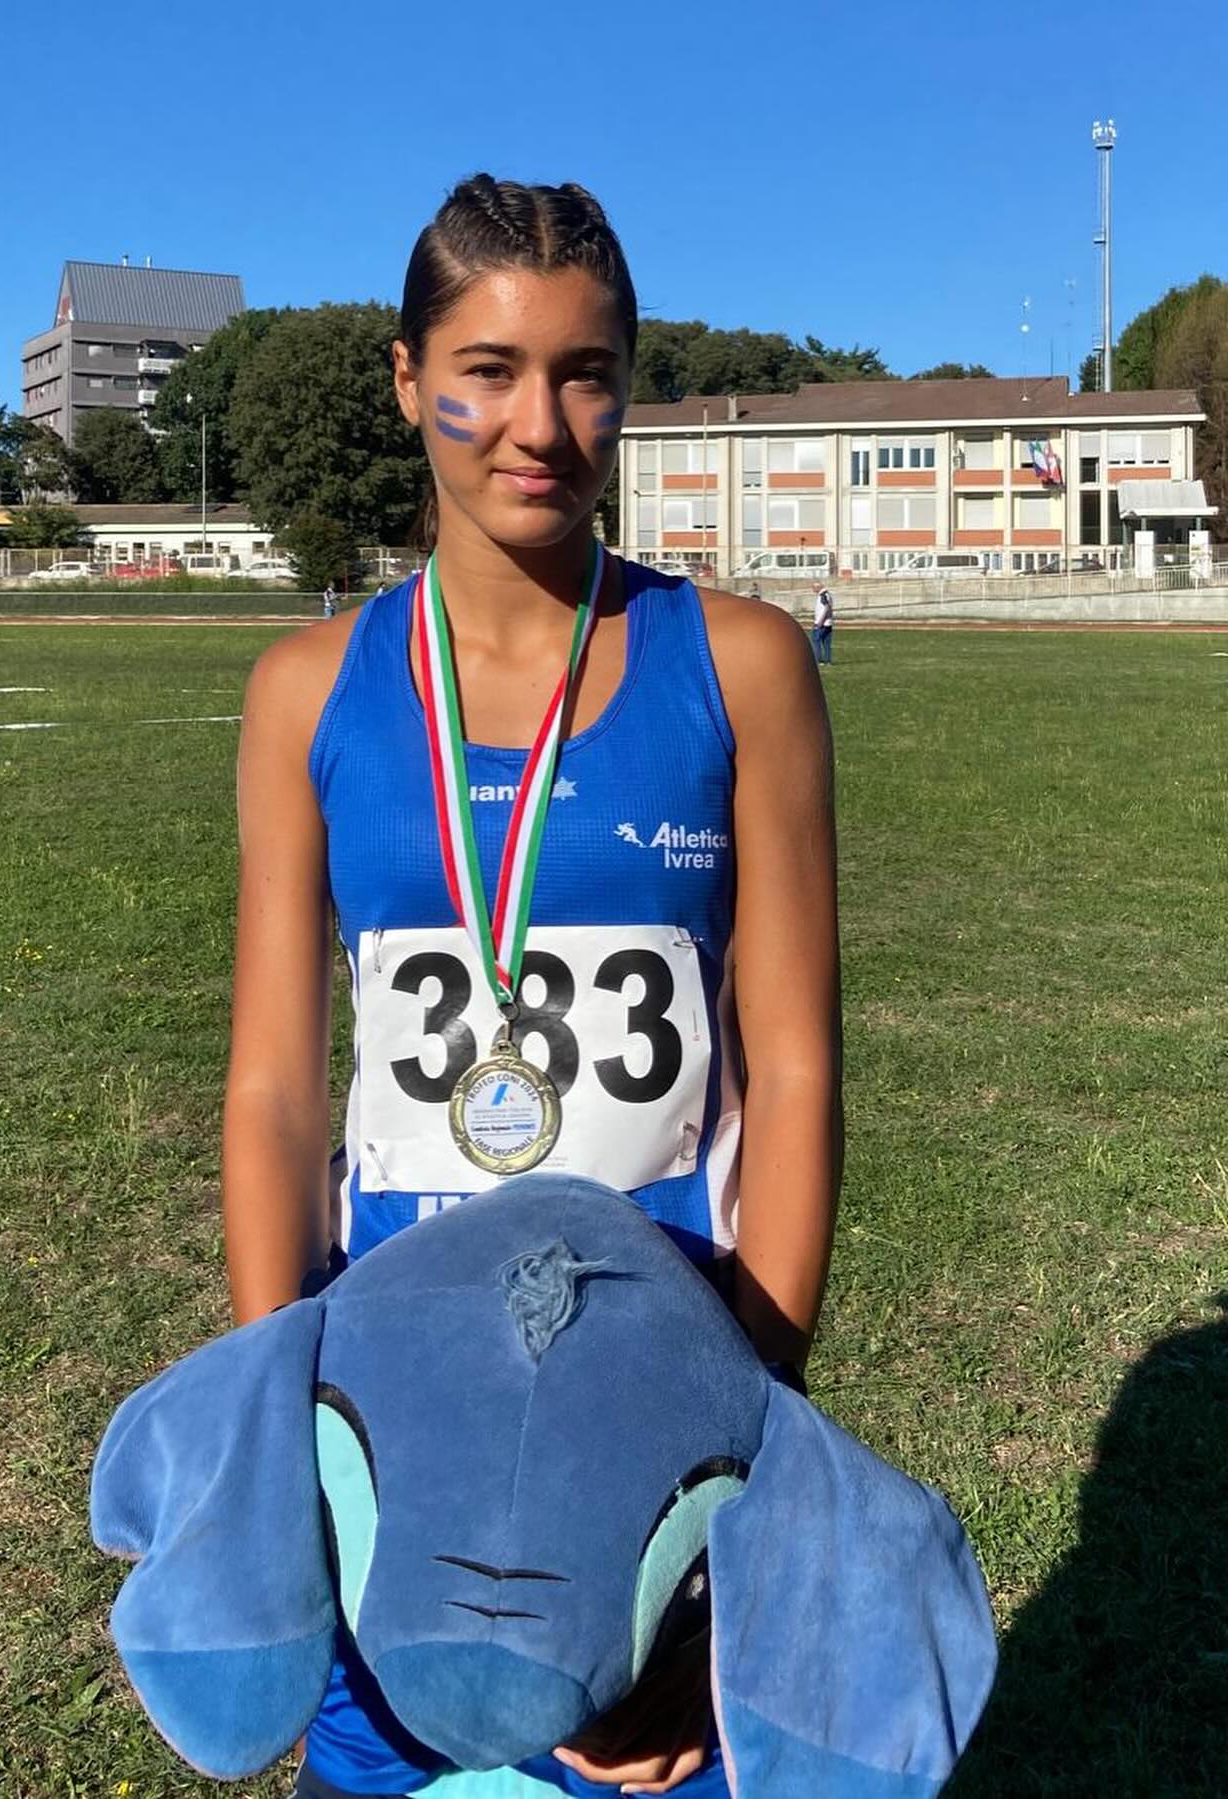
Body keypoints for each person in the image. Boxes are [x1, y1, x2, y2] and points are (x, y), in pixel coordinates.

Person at [223, 174, 842, 1797]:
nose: (540, 424)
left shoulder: (743, 666)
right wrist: (274, 1439)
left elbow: (791, 1069)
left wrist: (741, 1467)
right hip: (392, 1409)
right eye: (488, 370)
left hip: (653, 1415)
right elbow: (276, 1089)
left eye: (586, 373)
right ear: (406, 376)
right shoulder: (306, 690)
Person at [812, 584, 834, 664]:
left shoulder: (823, 595)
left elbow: (827, 607)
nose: (812, 589)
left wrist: (821, 621)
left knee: (816, 640)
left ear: (818, 587)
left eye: (813, 587)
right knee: (826, 643)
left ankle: (818, 660)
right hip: (828, 623)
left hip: (822, 623)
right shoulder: (827, 594)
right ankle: (828, 661)